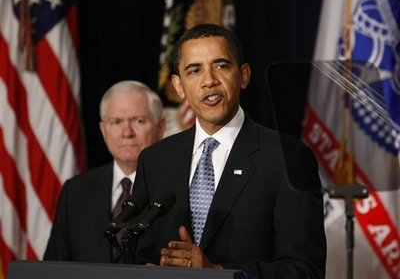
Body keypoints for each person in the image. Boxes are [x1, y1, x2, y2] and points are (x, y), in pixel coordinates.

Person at [133, 24, 326, 278]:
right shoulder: (155, 160)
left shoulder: (286, 158)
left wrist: (218, 272)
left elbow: (306, 270)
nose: (209, 81)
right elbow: (142, 257)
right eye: (194, 70)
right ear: (178, 86)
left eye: (221, 66)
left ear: (244, 75)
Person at [43, 80, 165, 263]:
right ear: (103, 130)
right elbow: (53, 268)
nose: (126, 132)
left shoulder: (176, 190)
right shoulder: (75, 191)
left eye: (139, 121)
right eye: (116, 122)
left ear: (160, 128)